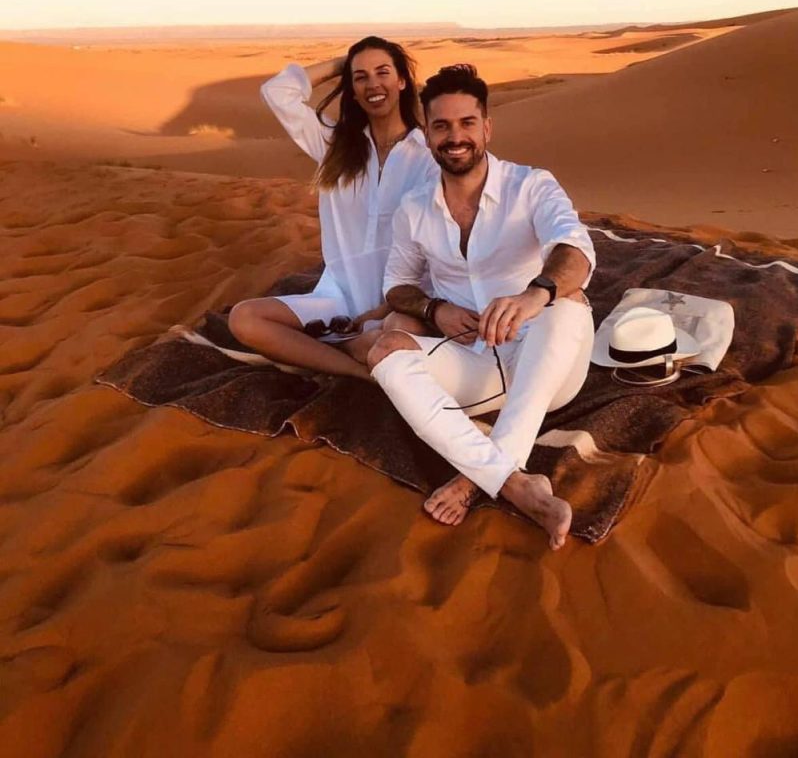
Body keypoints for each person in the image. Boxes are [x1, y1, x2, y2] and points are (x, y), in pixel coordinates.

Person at [366, 64, 595, 549]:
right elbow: (397, 286)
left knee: (568, 301)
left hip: (547, 363)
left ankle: (473, 479)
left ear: (486, 127)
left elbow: (575, 251)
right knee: (385, 349)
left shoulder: (531, 186)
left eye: (467, 123)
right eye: (441, 126)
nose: (455, 137)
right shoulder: (414, 207)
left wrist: (533, 295)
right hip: (473, 361)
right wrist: (434, 311)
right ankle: (515, 483)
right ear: (426, 135)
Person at [229, 36, 437, 379]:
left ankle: (343, 345)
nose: (373, 84)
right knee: (245, 318)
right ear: (352, 89)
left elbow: (436, 249)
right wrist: (343, 63)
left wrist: (384, 308)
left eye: (383, 72)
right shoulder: (335, 145)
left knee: (397, 333)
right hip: (337, 297)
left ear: (402, 81)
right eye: (361, 77)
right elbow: (277, 92)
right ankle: (357, 370)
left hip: (400, 302)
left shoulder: (429, 156)